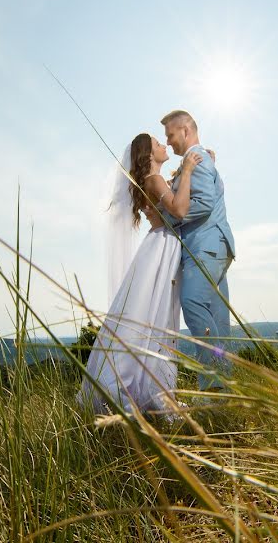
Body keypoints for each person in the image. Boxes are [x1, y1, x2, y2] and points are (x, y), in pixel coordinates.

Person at [77, 132, 202, 416]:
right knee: (155, 317)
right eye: (158, 144)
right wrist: (190, 170)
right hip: (163, 246)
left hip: (157, 245)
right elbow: (180, 209)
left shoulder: (152, 181)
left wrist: (183, 174)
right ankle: (140, 387)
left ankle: (138, 384)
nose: (164, 145)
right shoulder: (154, 180)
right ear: (148, 155)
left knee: (147, 316)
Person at [161, 110, 236, 391]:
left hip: (204, 247)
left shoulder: (198, 159)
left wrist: (169, 217)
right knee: (217, 321)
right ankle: (224, 392)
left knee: (192, 306)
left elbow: (203, 203)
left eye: (170, 135)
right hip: (215, 247)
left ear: (185, 131)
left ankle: (213, 386)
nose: (168, 142)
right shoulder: (199, 160)